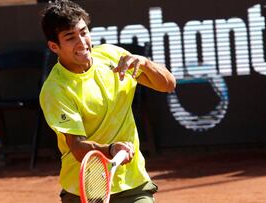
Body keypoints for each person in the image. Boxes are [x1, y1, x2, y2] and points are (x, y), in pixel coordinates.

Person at [39, 0, 176, 202]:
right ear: (54, 46)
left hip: (133, 183)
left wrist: (145, 64)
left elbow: (168, 85)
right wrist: (111, 150)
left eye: (84, 32)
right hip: (85, 189)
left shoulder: (113, 55)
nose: (82, 42)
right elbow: (77, 147)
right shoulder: (55, 90)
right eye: (70, 38)